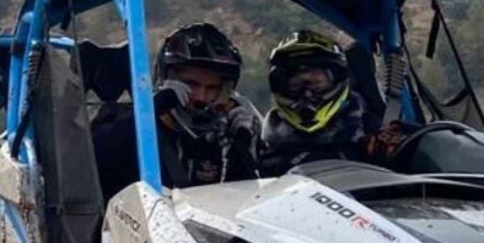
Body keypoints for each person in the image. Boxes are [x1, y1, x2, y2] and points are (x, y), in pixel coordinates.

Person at [93, 23, 259, 196]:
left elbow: (247, 200)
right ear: (166, 80)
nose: (201, 97)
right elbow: (93, 162)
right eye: (191, 84)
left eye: (212, 88)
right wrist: (150, 111)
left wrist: (243, 146)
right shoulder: (122, 120)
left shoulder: (221, 140)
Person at [258, 30, 371, 174]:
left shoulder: (372, 132)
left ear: (336, 80)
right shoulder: (261, 146)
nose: (307, 94)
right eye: (296, 84)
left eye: (316, 82)